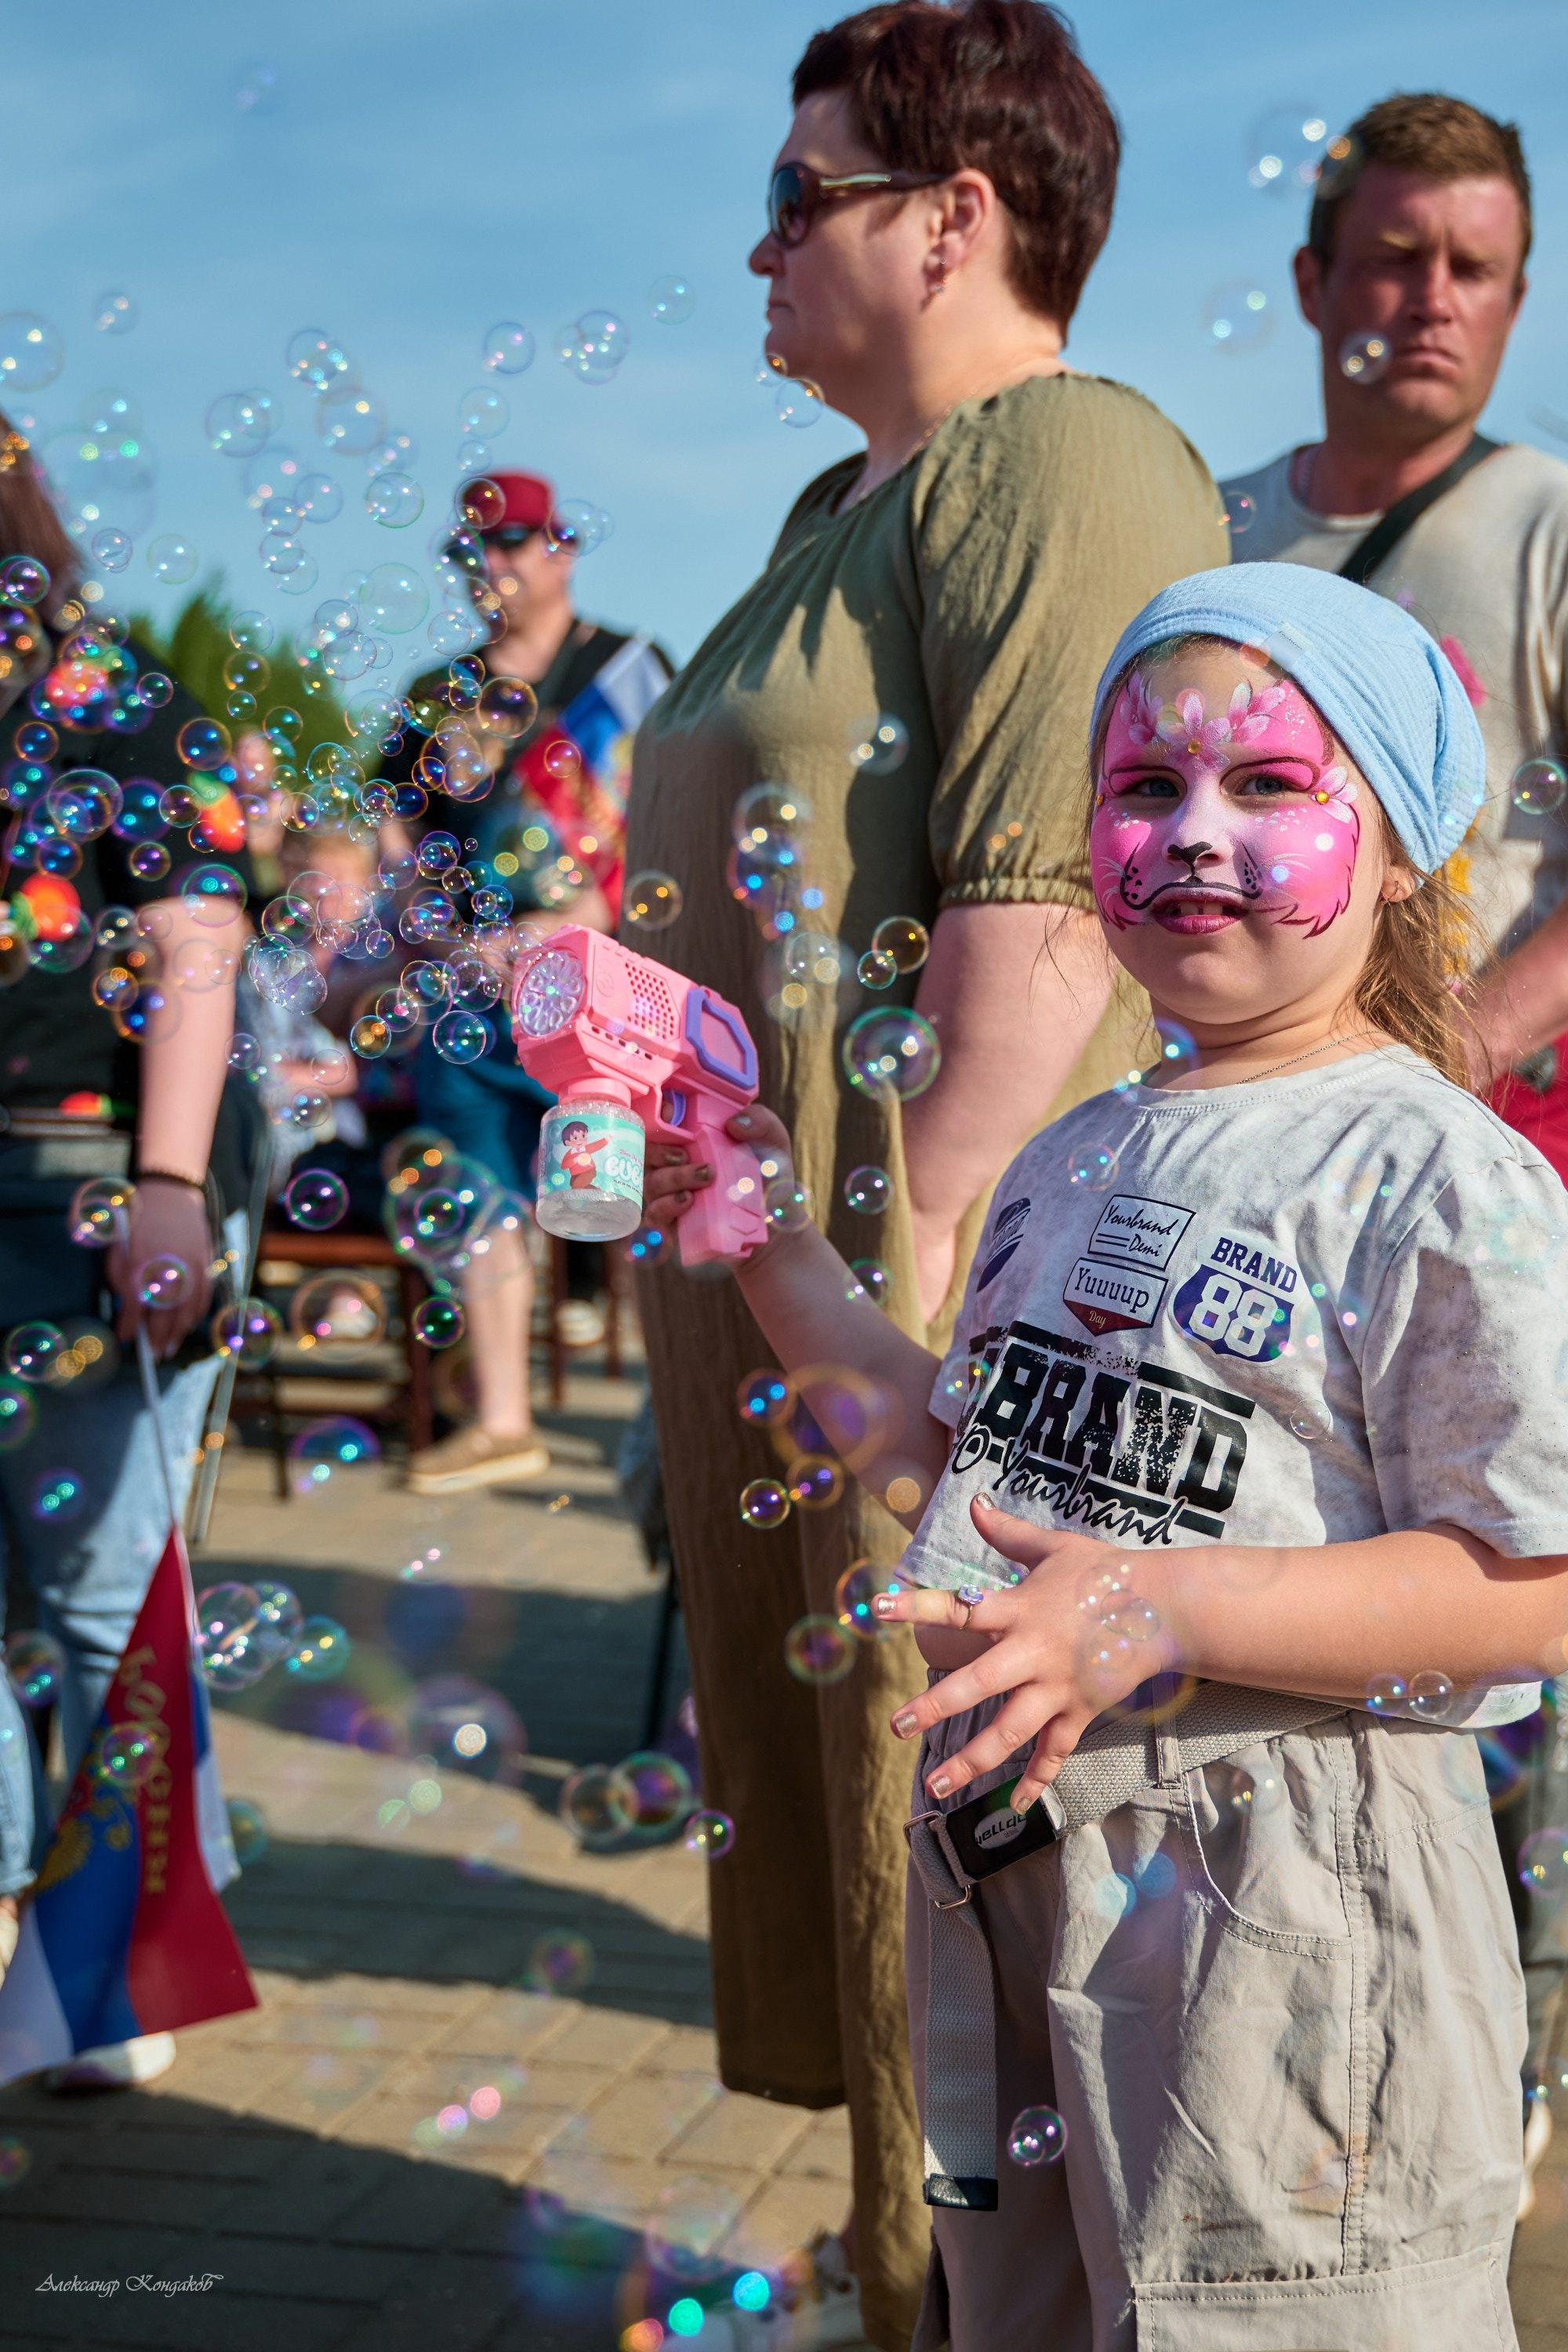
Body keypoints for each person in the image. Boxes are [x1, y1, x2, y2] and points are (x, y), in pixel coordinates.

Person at [647, 562, 1562, 2350]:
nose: (1192, 832)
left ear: (1396, 854)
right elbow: (958, 1457)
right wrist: (779, 1257)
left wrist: (1157, 1609)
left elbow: (1533, 1585)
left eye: (1268, 784)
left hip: (1297, 1904)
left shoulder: (1435, 1175)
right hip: (1021, 1873)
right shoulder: (1080, 1157)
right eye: (1144, 788)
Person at [620, 5, 1226, 2340]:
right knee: (858, 1836)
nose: (756, 242)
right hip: (790, 1284)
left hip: (918, 1301)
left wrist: (908, 1323)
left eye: (800, 194)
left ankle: (970, 2295)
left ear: (955, 213)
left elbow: (1035, 927)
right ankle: (912, 2271)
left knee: (938, 1825)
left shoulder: (1056, 457)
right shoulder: (825, 510)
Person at [1221, 89, 1568, 2205]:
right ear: (1313, 277)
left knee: (1491, 1604)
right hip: (1263, 1156)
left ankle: (1487, 2035)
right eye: (1396, 255)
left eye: (1478, 267)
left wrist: (1449, 1048)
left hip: (1486, 1140)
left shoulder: (1544, 519)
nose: (1430, 299)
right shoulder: (1226, 523)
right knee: (1288, 1582)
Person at [0, 416, 253, 2088]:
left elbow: (196, 937)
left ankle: (111, 1969)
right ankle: (35, 1951)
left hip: (91, 1181)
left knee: (96, 1598)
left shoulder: (116, 699)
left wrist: (167, 1184)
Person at [387, 470, 671, 1498]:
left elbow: (671, 818)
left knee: (625, 1192)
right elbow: (409, 854)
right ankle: (505, 1418)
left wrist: (589, 919)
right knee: (481, 1185)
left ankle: (662, 1407)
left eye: (511, 546)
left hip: (605, 981)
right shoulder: (434, 700)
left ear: (562, 548)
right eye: (472, 553)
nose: (492, 569)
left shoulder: (633, 670)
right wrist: (449, 940)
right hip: (478, 995)